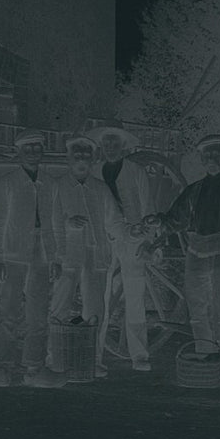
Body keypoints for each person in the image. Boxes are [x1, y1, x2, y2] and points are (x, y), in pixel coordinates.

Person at [145, 133, 220, 386]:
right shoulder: (194, 190)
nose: (211, 159)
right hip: (195, 255)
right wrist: (159, 220)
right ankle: (208, 360)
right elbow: (176, 219)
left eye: (216, 153)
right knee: (196, 313)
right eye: (206, 155)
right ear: (202, 159)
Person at [0, 128, 56, 387]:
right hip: (14, 253)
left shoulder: (51, 183)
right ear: (19, 153)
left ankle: (34, 367)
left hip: (42, 254)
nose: (33, 153)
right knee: (10, 313)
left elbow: (54, 222)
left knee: (39, 312)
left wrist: (55, 257)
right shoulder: (8, 182)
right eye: (27, 148)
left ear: (42, 152)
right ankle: (3, 367)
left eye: (37, 148)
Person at [92, 121, 153, 372]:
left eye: (114, 142)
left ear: (123, 146)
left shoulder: (136, 171)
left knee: (135, 295)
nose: (110, 146)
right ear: (101, 146)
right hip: (103, 239)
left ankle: (138, 353)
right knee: (99, 297)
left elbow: (148, 207)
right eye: (106, 142)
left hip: (133, 238)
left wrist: (148, 239)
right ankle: (94, 353)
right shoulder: (94, 171)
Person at [48, 133, 120, 335]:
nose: (81, 159)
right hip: (67, 253)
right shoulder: (56, 186)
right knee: (60, 304)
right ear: (68, 158)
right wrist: (67, 222)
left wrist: (132, 234)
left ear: (94, 158)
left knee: (95, 308)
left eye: (86, 154)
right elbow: (46, 220)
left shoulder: (101, 188)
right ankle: (56, 356)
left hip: (96, 256)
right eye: (76, 154)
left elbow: (115, 222)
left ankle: (93, 360)